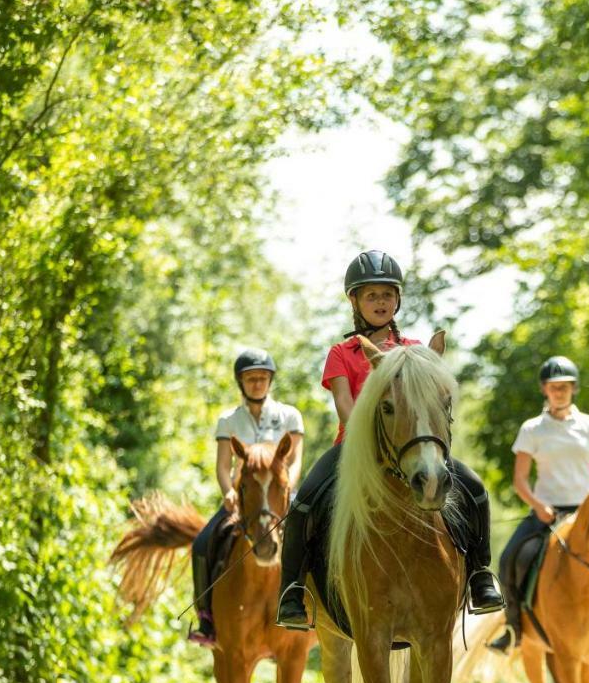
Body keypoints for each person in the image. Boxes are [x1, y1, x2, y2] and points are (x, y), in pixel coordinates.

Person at [274, 250, 504, 629]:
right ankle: (293, 591)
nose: (380, 303)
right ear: (355, 301)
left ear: (397, 299)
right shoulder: (341, 354)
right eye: (371, 296)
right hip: (354, 450)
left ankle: (480, 575)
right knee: (303, 504)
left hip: (412, 447)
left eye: (387, 295)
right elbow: (345, 406)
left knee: (476, 489)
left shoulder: (416, 353)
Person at [487, 356, 589, 656]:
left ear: (573, 389)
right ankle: (513, 630)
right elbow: (520, 480)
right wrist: (538, 506)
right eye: (553, 387)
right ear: (544, 390)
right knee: (510, 558)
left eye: (565, 387)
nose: (559, 392)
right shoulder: (532, 429)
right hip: (547, 511)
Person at [188, 348, 305, 645]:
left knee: (314, 535)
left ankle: (321, 607)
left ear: (270, 381)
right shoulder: (229, 421)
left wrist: (287, 493)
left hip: (280, 496)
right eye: (251, 378)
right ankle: (206, 618)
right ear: (241, 383)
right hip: (246, 500)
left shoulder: (289, 415)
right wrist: (228, 490)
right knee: (202, 543)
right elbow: (223, 465)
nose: (257, 384)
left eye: (262, 378)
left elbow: (295, 461)